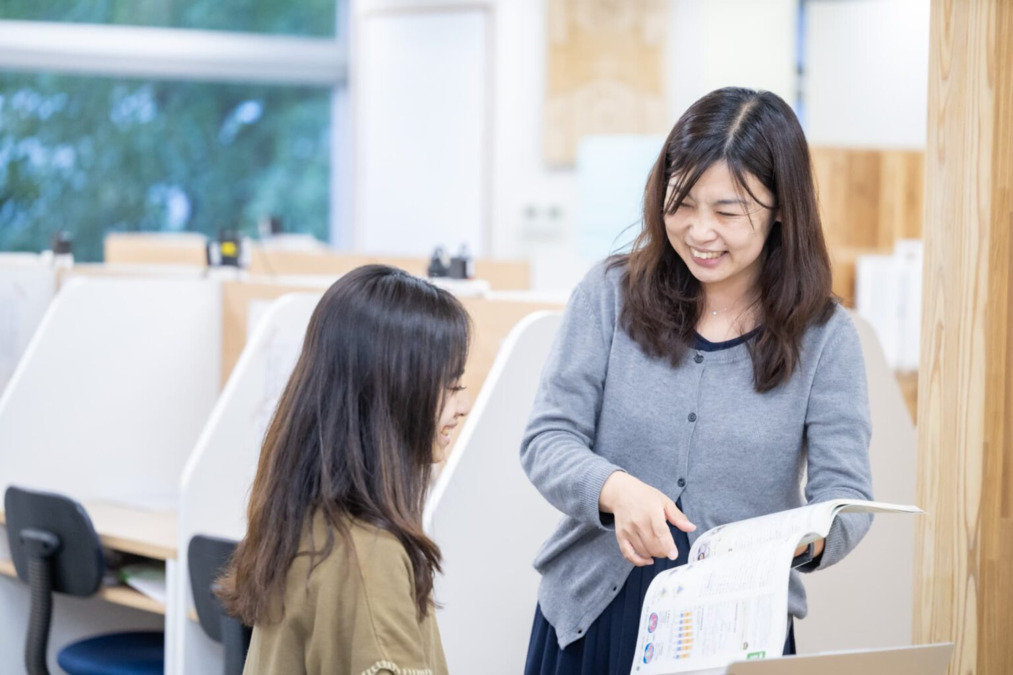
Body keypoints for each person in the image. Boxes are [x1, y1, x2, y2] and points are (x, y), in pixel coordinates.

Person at [520, 87, 874, 673]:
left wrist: (800, 541)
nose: (699, 231)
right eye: (680, 203)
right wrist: (615, 489)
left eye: (728, 212)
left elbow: (848, 499)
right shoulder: (609, 295)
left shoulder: (825, 336)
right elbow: (547, 439)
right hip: (594, 617)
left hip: (738, 630)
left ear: (782, 207)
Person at [216, 264, 472, 675]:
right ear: (396, 391)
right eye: (452, 385)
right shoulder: (370, 555)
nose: (463, 406)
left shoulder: (306, 517)